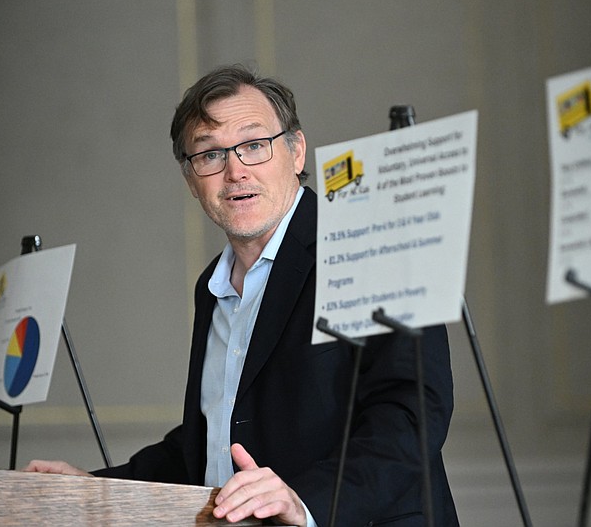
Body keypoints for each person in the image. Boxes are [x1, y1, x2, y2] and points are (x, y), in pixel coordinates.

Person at [25, 64, 459, 526]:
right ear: (192, 180)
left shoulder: (368, 241)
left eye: (254, 145)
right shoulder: (212, 286)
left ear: (296, 151)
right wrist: (93, 487)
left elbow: (413, 411)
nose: (235, 171)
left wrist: (304, 501)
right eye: (210, 156)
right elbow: (209, 439)